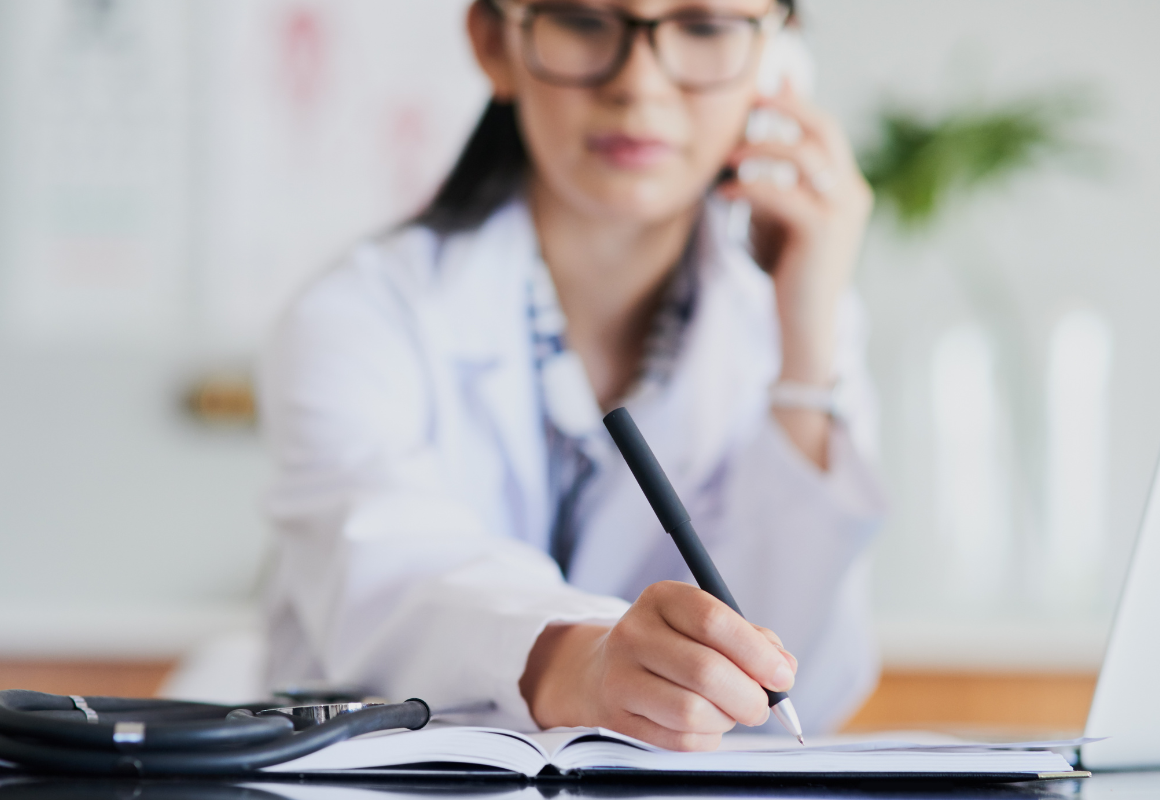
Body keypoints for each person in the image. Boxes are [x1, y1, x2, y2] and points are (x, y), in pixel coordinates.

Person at [261, 0, 884, 752]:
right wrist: (582, 660)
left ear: (776, 63)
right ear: (495, 43)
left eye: (705, 27)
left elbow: (802, 696)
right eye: (584, 20)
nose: (640, 85)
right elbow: (391, 582)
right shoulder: (362, 315)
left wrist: (806, 350)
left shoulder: (790, 327)